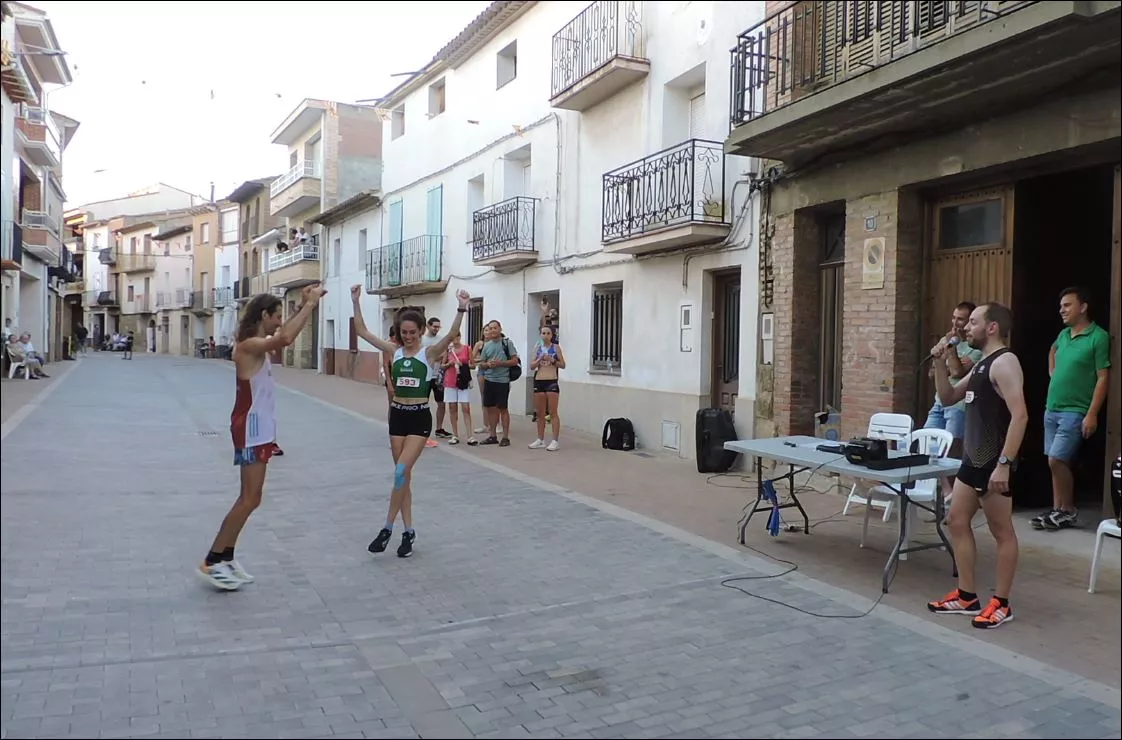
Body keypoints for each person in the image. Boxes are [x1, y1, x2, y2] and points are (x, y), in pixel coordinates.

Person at [196, 284, 325, 591]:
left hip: (260, 428)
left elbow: (282, 334)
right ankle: (212, 560)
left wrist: (300, 307)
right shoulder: (248, 345)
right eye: (277, 315)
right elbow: (285, 339)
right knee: (248, 498)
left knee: (253, 497)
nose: (279, 321)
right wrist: (310, 306)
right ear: (264, 315)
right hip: (251, 428)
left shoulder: (256, 342)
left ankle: (226, 556)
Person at [927, 302, 1028, 629]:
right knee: (956, 520)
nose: (965, 328)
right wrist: (940, 362)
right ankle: (966, 595)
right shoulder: (982, 363)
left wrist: (1004, 464)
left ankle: (1002, 603)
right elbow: (949, 396)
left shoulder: (1005, 362)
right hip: (973, 459)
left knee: (1002, 532)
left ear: (992, 327)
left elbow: (1020, 415)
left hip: (994, 463)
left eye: (973, 322)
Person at [351, 284, 471, 558]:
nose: (408, 337)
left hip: (418, 417)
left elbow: (452, 333)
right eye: (403, 333)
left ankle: (387, 528)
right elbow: (361, 331)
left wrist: (462, 306)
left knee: (399, 472)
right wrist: (356, 301)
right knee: (402, 479)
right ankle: (409, 532)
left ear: (420, 332)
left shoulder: (428, 353)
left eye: (412, 333)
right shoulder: (393, 351)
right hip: (397, 417)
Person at [1033, 286, 1112, 531]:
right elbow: (1052, 350)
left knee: (1057, 459)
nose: (1062, 310)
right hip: (1052, 407)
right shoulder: (1064, 334)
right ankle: (1058, 511)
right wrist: (1052, 371)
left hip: (1075, 410)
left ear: (1083, 307)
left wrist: (1092, 414)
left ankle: (1068, 510)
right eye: (1061, 306)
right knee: (1055, 462)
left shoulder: (1098, 337)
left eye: (1067, 305)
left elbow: (1103, 377)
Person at [923, 302, 982, 504]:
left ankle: (958, 498)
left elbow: (957, 372)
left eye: (961, 319)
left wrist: (952, 355)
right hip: (938, 404)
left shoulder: (974, 346)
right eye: (954, 317)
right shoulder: (945, 340)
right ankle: (946, 493)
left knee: (950, 452)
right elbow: (933, 372)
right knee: (927, 448)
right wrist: (948, 365)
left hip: (958, 406)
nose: (956, 323)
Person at [477, 320, 519, 447]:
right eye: (490, 328)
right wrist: (487, 365)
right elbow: (482, 363)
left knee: (503, 408)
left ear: (500, 329)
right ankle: (492, 435)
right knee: (490, 408)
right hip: (489, 380)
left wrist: (501, 363)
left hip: (503, 381)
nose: (493, 330)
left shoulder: (507, 343)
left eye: (495, 328)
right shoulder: (487, 346)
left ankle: (505, 437)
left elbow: (514, 360)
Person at [529, 325, 565, 451]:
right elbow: (531, 366)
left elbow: (563, 364)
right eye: (543, 333)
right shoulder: (537, 348)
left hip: (551, 380)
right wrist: (539, 359)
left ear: (552, 335)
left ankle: (555, 440)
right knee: (540, 413)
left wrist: (552, 360)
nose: (545, 335)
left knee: (553, 412)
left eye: (548, 333)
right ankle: (540, 439)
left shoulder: (556, 348)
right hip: (539, 381)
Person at [440, 330, 478, 445]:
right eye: (453, 337)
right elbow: (442, 365)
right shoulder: (448, 350)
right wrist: (449, 364)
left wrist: (464, 365)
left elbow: (473, 364)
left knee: (466, 408)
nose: (455, 338)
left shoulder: (467, 348)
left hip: (462, 381)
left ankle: (470, 435)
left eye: (457, 336)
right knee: (452, 408)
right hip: (450, 381)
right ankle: (455, 435)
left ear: (460, 336)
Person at [421, 316, 451, 439]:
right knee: (422, 403)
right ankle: (422, 429)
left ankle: (439, 428)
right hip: (424, 376)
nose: (437, 329)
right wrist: (435, 356)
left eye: (438, 327)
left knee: (442, 403)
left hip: (438, 376)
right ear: (428, 326)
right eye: (435, 326)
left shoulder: (441, 339)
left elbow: (444, 354)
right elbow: (423, 356)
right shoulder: (422, 340)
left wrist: (437, 358)